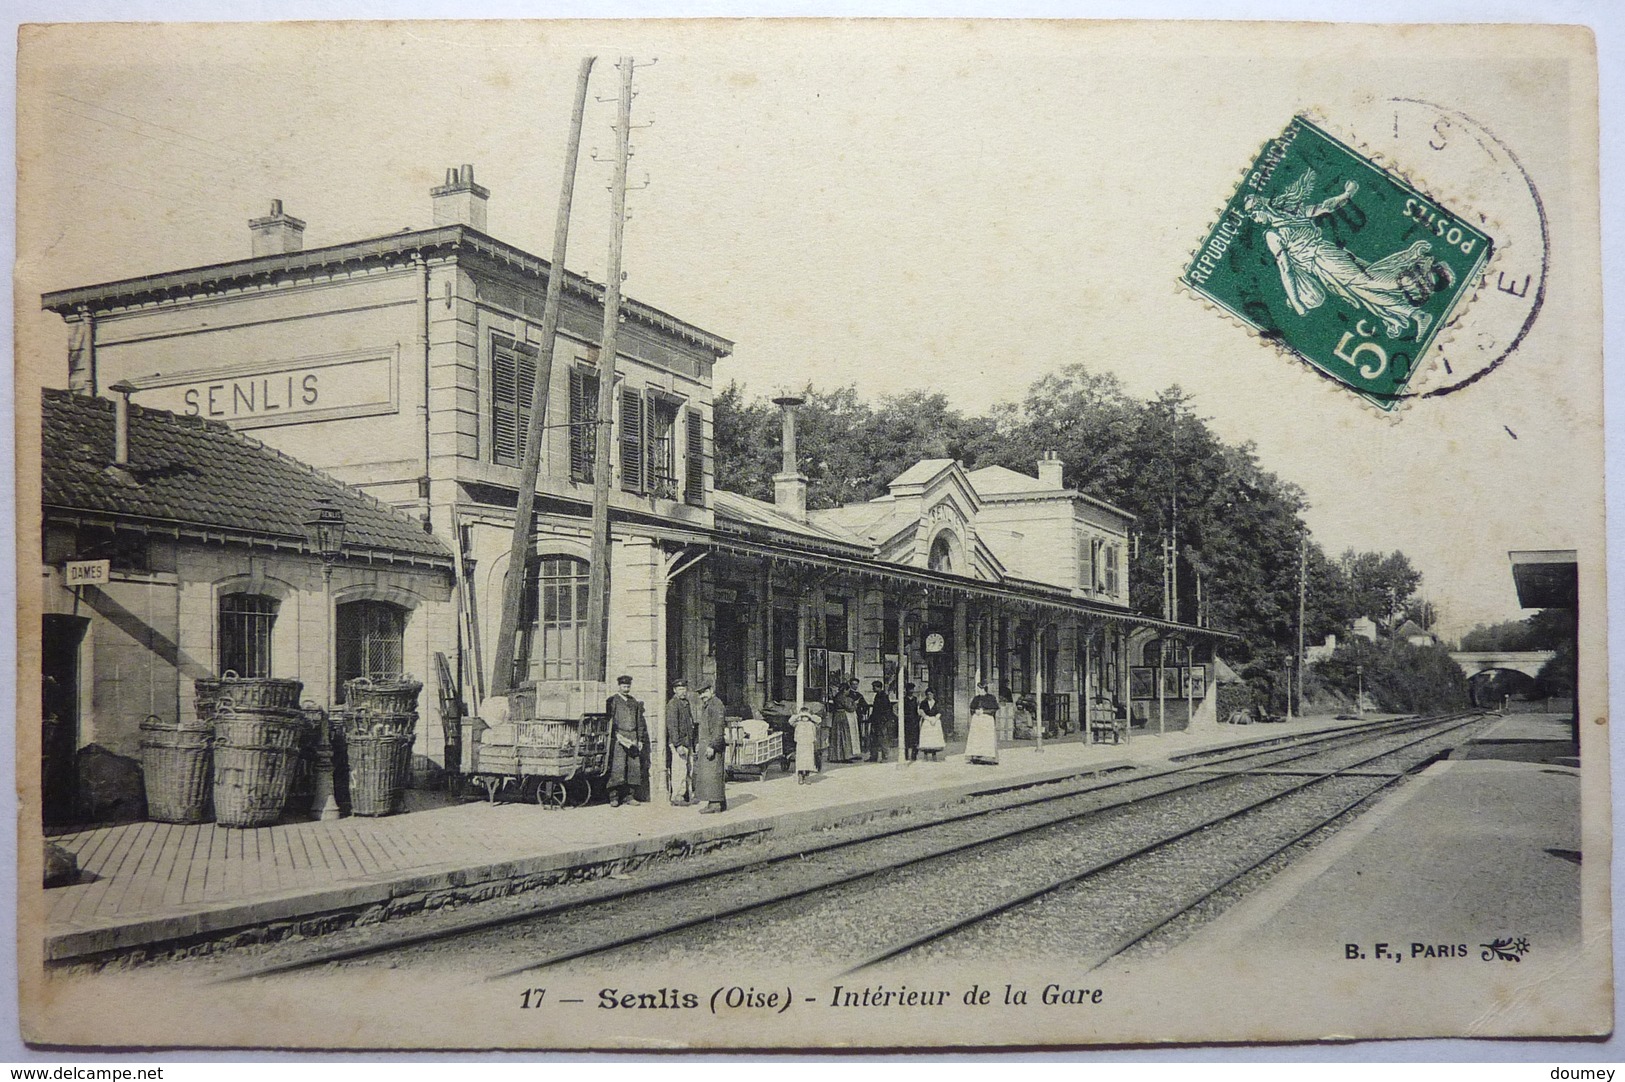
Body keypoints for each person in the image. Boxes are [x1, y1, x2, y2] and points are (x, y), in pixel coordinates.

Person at [605, 675, 649, 807]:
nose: (626, 689)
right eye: (624, 686)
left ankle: (629, 796)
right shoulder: (613, 701)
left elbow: (639, 721)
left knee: (633, 768)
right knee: (618, 768)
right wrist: (615, 735)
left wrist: (640, 739)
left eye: (628, 686)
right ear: (619, 686)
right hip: (619, 737)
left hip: (633, 737)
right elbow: (609, 720)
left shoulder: (633, 702)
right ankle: (614, 797)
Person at [694, 682, 728, 814]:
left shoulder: (716, 705)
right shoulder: (709, 705)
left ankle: (715, 804)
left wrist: (713, 746)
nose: (702, 695)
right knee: (710, 775)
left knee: (713, 774)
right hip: (707, 744)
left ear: (711, 690)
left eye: (704, 692)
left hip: (712, 745)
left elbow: (719, 728)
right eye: (700, 693)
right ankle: (718, 802)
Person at [665, 678, 697, 805]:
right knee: (679, 770)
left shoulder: (686, 703)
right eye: (680, 689)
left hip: (687, 742)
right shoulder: (673, 704)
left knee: (689, 769)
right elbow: (672, 727)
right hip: (679, 743)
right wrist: (677, 744)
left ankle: (688, 795)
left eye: (684, 689)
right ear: (674, 690)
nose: (683, 692)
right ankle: (677, 796)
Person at [966, 681, 1000, 765]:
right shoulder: (976, 698)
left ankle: (988, 757)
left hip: (987, 720)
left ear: (984, 689)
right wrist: (975, 711)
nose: (978, 691)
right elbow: (972, 708)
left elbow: (994, 709)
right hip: (977, 720)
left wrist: (984, 711)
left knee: (986, 738)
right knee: (976, 738)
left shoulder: (991, 698)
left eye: (980, 689)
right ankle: (976, 756)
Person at [791, 703, 821, 784]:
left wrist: (810, 715)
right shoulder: (798, 723)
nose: (805, 718)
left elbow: (818, 720)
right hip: (800, 744)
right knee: (800, 761)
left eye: (806, 716)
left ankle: (807, 776)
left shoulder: (811, 724)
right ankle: (800, 776)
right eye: (803, 716)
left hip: (809, 744)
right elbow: (791, 721)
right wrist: (798, 715)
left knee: (808, 761)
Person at [868, 680, 895, 762]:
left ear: (878, 687)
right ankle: (873, 756)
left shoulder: (883, 696)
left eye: (874, 687)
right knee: (874, 738)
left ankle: (885, 757)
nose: (873, 688)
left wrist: (884, 719)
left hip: (881, 721)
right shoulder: (878, 695)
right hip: (876, 720)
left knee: (882, 739)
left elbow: (886, 709)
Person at [826, 683, 854, 764]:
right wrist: (854, 704)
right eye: (848, 690)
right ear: (845, 690)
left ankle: (835, 756)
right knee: (844, 735)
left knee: (836, 736)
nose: (848, 692)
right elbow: (850, 708)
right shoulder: (844, 698)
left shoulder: (837, 696)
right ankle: (845, 756)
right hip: (842, 716)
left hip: (836, 716)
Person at [917, 688, 946, 761]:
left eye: (931, 694)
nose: (929, 696)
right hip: (927, 721)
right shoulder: (923, 703)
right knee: (927, 738)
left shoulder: (937, 702)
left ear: (933, 694)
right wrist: (927, 718)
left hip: (935, 721)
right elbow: (921, 711)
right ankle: (925, 755)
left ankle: (934, 754)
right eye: (928, 694)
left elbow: (940, 711)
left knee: (934, 739)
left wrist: (935, 719)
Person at [848, 678, 869, 762]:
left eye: (856, 684)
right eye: (853, 684)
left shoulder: (859, 695)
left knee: (858, 734)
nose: (855, 686)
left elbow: (865, 704)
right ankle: (850, 753)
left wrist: (863, 711)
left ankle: (857, 752)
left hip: (858, 716)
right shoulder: (847, 694)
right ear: (850, 685)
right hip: (850, 716)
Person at [902, 682, 921, 761]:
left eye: (912, 689)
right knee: (907, 739)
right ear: (906, 690)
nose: (911, 691)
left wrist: (918, 718)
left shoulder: (915, 699)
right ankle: (906, 756)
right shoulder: (904, 700)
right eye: (909, 689)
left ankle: (914, 756)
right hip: (907, 721)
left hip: (914, 721)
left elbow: (917, 710)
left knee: (915, 739)